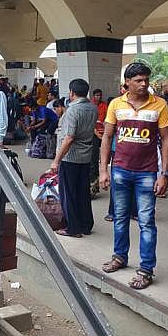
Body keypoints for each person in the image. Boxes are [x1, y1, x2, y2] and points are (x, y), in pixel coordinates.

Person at [99, 63, 168, 290]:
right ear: (127, 83)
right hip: (120, 169)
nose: (144, 84)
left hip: (147, 173)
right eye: (139, 80)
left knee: (146, 221)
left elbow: (166, 140)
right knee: (119, 217)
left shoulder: (159, 105)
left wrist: (164, 174)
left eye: (146, 80)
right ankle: (119, 257)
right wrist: (103, 169)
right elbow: (107, 136)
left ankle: (146, 269)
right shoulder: (116, 104)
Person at [48, 79, 97, 237]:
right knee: (82, 191)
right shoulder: (92, 108)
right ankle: (85, 224)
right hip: (86, 156)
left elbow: (69, 138)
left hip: (70, 157)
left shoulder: (72, 111)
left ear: (71, 93)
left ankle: (73, 228)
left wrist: (56, 160)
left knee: (68, 193)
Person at [90, 89, 108, 197]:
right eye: (97, 95)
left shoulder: (104, 106)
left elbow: (107, 120)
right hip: (93, 135)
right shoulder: (91, 106)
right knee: (92, 162)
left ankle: (95, 187)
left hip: (103, 133)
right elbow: (90, 122)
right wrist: (95, 132)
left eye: (100, 95)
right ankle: (92, 188)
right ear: (93, 96)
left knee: (96, 160)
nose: (99, 97)